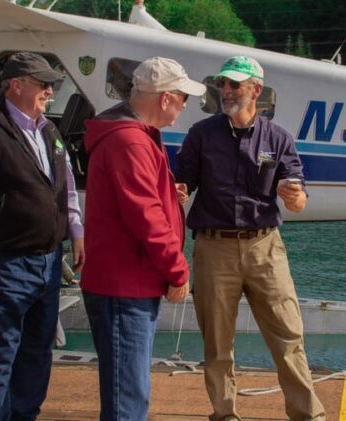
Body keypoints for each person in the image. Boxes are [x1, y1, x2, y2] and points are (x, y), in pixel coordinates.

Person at [175, 56, 326, 421]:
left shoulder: (278, 138)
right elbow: (183, 183)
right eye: (223, 84)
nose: (226, 90)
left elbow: (299, 196)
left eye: (234, 85)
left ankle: (309, 415)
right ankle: (224, 414)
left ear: (255, 90)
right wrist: (177, 190)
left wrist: (295, 197)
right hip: (213, 247)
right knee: (217, 343)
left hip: (266, 248)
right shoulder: (201, 134)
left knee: (288, 336)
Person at [80, 56, 205, 420]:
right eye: (183, 98)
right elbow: (144, 216)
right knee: (128, 398)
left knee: (129, 392)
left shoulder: (131, 136)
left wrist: (169, 194)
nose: (185, 106)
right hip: (125, 287)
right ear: (165, 98)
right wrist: (178, 270)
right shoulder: (131, 142)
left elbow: (143, 203)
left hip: (126, 282)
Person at [0, 51, 85, 420]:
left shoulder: (49, 130)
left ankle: (25, 416)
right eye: (43, 83)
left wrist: (77, 231)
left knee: (37, 351)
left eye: (52, 84)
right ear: (16, 85)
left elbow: (65, 190)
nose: (51, 90)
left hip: (49, 261)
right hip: (6, 262)